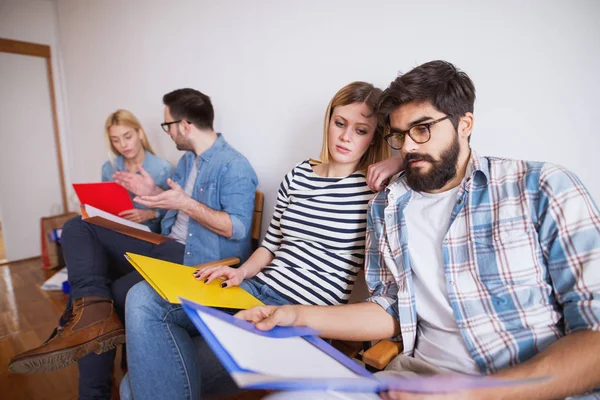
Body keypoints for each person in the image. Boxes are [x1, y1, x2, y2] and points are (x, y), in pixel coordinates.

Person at [237, 61, 600, 400]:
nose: (409, 146)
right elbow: (388, 307)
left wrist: (470, 393)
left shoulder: (542, 187)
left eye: (422, 129)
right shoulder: (387, 205)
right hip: (412, 380)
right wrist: (295, 315)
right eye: (399, 135)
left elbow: (595, 339)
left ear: (465, 124)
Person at [119, 81, 392, 400]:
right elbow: (270, 244)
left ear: (374, 136)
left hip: (297, 315)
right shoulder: (300, 175)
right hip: (251, 289)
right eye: (340, 123)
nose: (346, 136)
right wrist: (241, 273)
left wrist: (396, 161)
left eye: (361, 130)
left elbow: (428, 175)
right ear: (328, 121)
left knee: (131, 387)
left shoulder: (374, 192)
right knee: (141, 296)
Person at [8, 88, 258, 400]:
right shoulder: (187, 162)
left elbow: (237, 228)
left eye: (167, 125)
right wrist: (152, 190)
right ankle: (88, 315)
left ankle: (87, 362)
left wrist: (186, 203)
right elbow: (172, 209)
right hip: (166, 244)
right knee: (79, 226)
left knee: (106, 296)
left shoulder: (233, 165)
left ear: (184, 125)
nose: (166, 133)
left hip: (195, 258)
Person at [102, 109, 174, 233]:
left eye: (128, 137)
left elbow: (175, 211)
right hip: (117, 233)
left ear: (140, 133)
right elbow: (105, 208)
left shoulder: (163, 168)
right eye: (115, 140)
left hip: (149, 236)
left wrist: (152, 214)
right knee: (76, 224)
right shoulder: (108, 169)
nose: (123, 145)